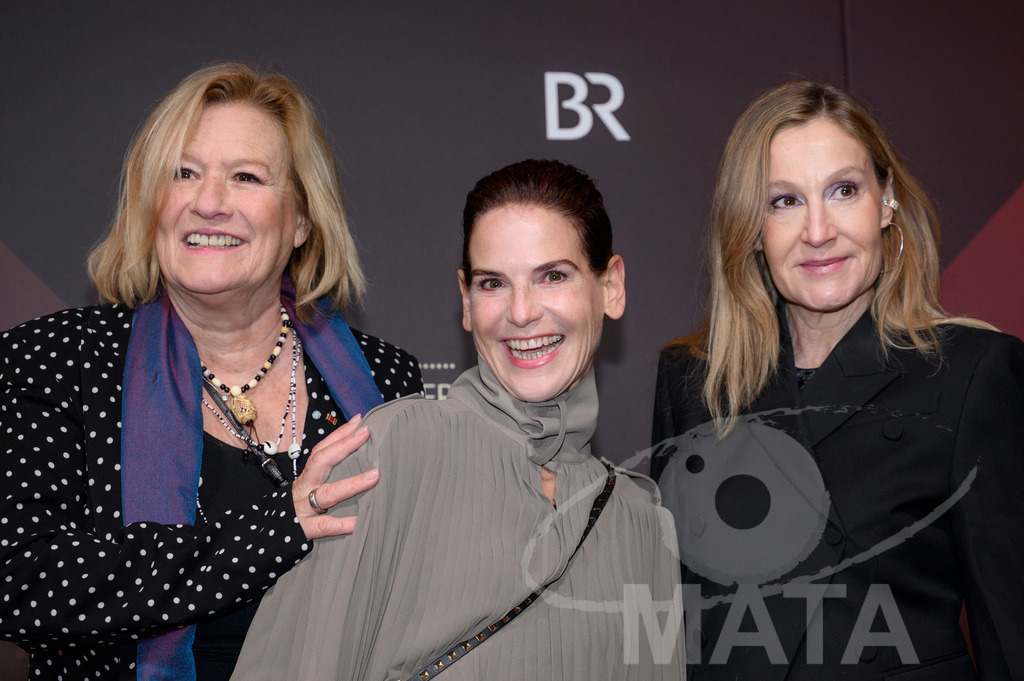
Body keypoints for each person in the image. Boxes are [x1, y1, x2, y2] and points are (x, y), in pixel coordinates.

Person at [0, 62, 422, 681]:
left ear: (301, 220)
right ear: (151, 205)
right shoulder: (58, 360)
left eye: (246, 177)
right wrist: (271, 532)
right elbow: (20, 584)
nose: (208, 203)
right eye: (184, 173)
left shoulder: (385, 379)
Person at [231, 159, 686, 680]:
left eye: (553, 276)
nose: (521, 312)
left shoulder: (640, 519)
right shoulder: (389, 453)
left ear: (611, 287)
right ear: (466, 301)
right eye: (493, 283)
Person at [651, 80, 1024, 680]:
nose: (818, 231)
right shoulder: (694, 380)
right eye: (784, 201)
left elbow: (1010, 634)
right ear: (751, 227)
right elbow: (675, 626)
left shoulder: (971, 372)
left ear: (886, 201)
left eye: (843, 191)